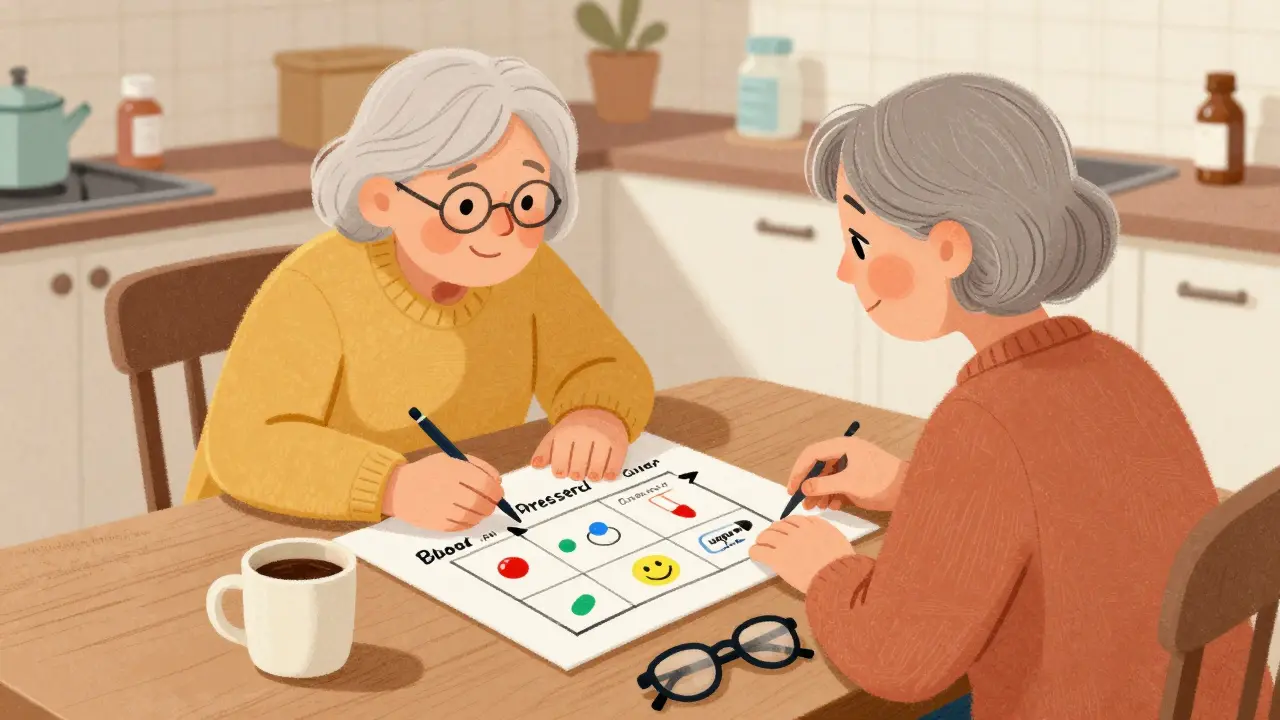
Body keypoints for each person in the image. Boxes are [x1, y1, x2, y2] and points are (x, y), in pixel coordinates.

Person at [748, 73, 1272, 719]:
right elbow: (1074, 520)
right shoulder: (1118, 368)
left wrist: (826, 569)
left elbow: (898, 661)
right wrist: (916, 489)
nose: (844, 269)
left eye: (860, 241)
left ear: (947, 247)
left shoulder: (982, 421)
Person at [185, 49, 654, 532]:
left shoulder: (528, 272)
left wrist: (596, 415)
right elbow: (247, 445)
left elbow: (603, 362)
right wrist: (393, 485)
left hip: (434, 534)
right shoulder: (315, 288)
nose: (501, 230)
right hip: (267, 539)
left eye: (528, 199)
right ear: (382, 198)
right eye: (467, 205)